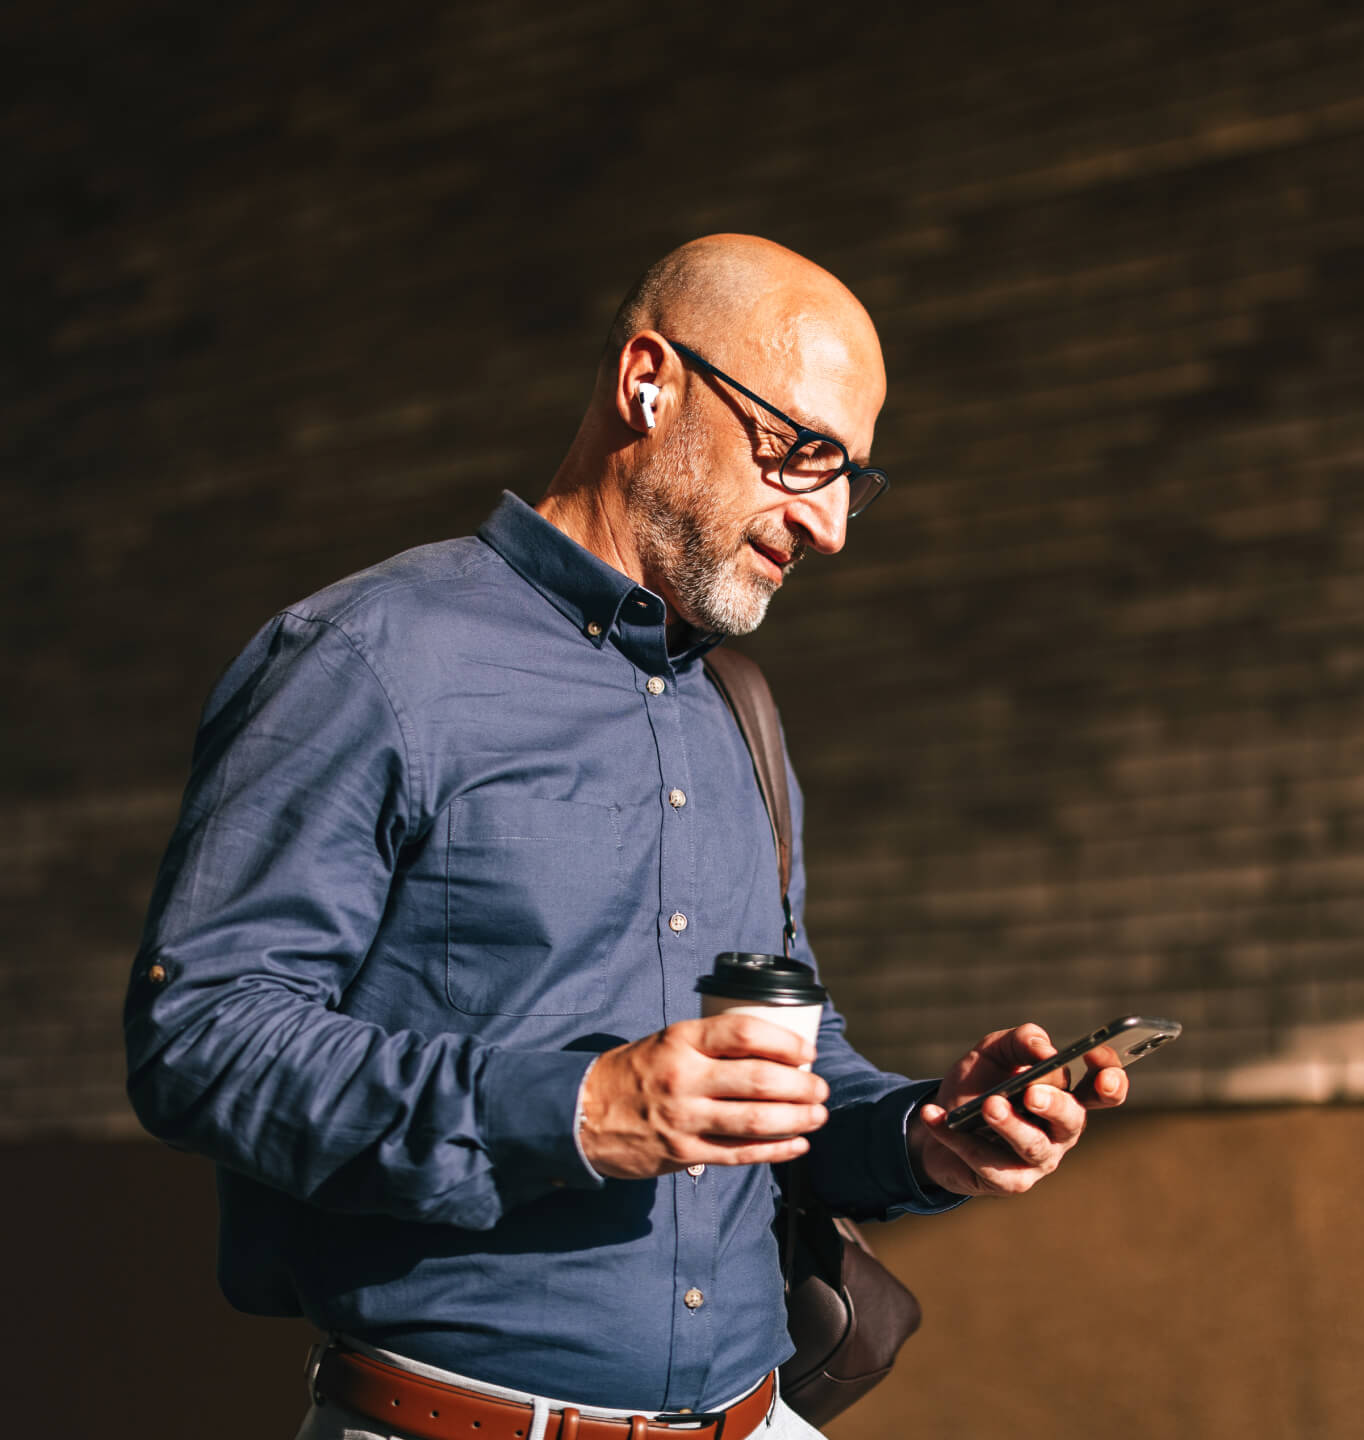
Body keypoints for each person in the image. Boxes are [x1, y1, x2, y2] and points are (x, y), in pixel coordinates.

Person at [124, 234, 1129, 1440]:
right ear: (649, 383)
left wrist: (922, 1138)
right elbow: (203, 1039)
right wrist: (578, 1108)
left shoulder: (739, 714)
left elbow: (784, 1078)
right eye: (804, 452)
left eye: (850, 480)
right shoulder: (367, 660)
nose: (829, 527)